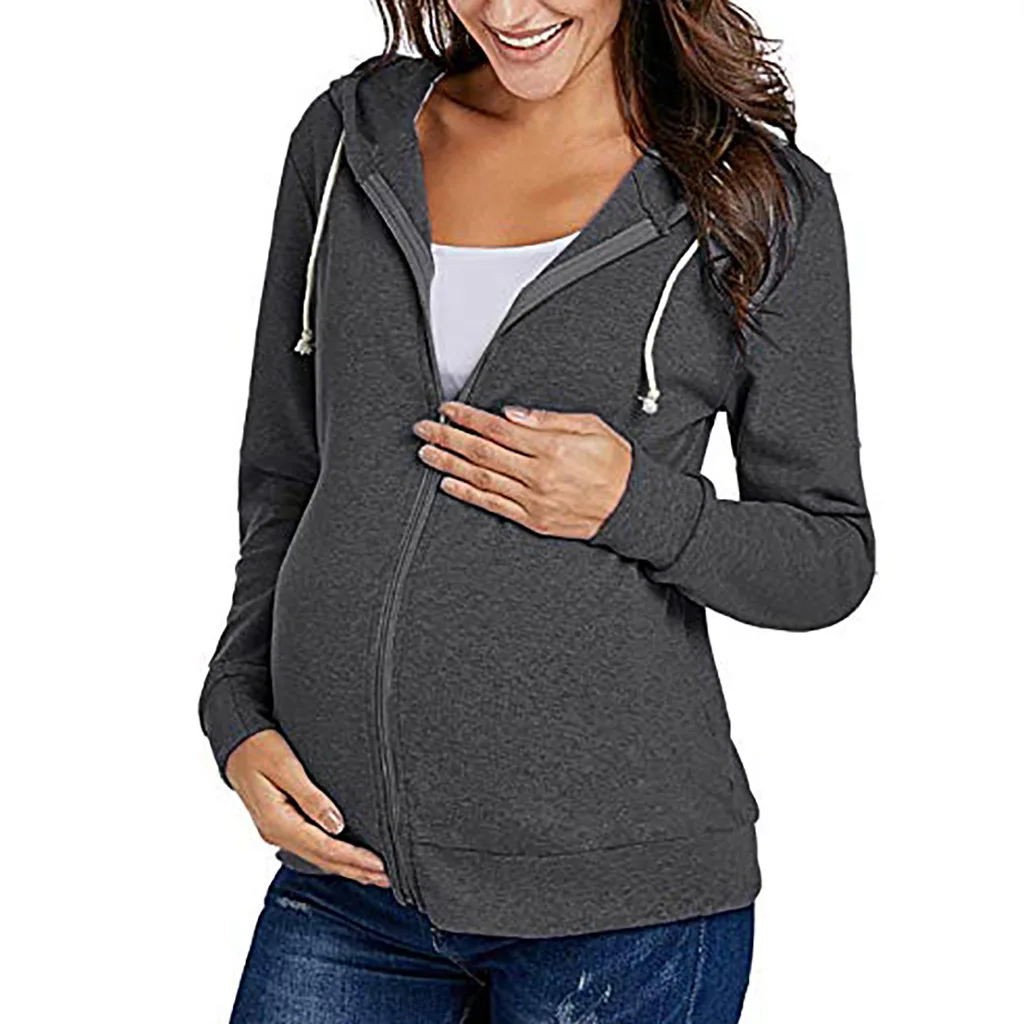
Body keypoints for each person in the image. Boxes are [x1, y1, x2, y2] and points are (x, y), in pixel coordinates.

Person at [198, 2, 875, 1020]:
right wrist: (236, 710)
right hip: (347, 880)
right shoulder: (348, 142)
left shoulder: (752, 197)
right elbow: (286, 474)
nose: (509, 13)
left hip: (620, 913)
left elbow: (829, 557)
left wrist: (635, 504)